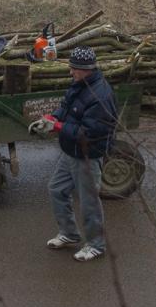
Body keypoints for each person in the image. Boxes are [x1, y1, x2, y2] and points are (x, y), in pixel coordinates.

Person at [28, 45, 118, 262]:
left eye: (74, 69)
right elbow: (66, 106)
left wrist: (57, 128)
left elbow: (89, 133)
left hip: (87, 155)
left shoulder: (100, 96)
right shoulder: (79, 84)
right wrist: (51, 118)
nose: (70, 72)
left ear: (86, 69)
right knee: (56, 189)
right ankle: (69, 234)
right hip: (70, 151)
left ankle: (96, 245)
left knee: (89, 202)